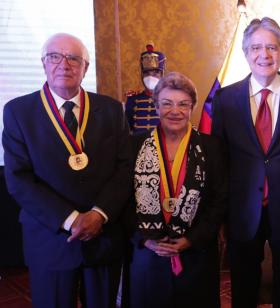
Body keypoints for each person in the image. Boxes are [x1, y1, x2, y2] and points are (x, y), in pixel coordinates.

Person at [2, 33, 132, 308]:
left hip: (103, 237)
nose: (65, 64)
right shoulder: (18, 112)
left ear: (85, 67)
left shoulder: (111, 109)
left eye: (74, 58)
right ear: (44, 64)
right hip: (51, 240)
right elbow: (19, 179)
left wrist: (99, 214)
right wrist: (71, 219)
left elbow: (124, 169)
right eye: (55, 57)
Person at [212, 17, 280, 308]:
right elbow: (219, 162)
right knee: (243, 288)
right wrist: (221, 216)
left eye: (272, 47)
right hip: (240, 211)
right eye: (257, 48)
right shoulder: (225, 99)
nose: (265, 55)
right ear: (246, 53)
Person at [127, 72, 227, 308]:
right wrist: (146, 239)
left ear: (192, 107)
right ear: (156, 107)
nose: (175, 111)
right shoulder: (134, 145)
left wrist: (191, 239)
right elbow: (124, 200)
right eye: (167, 103)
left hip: (196, 252)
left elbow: (219, 200)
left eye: (183, 104)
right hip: (148, 252)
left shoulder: (211, 147)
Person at [125, 43, 166, 134]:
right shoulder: (133, 99)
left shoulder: (169, 99)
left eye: (155, 73)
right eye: (146, 73)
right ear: (142, 75)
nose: (150, 77)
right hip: (138, 146)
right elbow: (128, 128)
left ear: (162, 75)